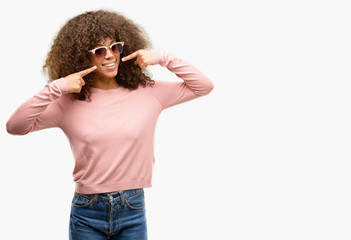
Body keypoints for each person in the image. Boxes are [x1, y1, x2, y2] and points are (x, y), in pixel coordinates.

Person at [6, 9, 213, 240]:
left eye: (115, 47)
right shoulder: (67, 103)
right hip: (86, 212)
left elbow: (203, 86)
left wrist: (163, 57)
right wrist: (57, 87)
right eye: (99, 50)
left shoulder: (148, 93)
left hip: (132, 209)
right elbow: (15, 126)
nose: (109, 55)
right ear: (82, 56)